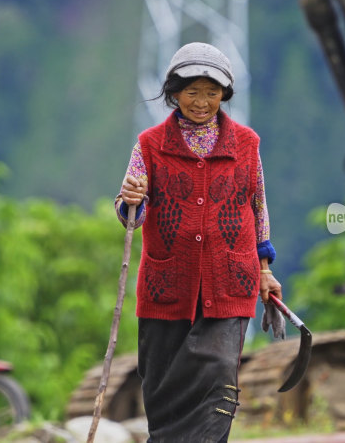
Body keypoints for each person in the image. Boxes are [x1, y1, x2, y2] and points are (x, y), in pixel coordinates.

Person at [115, 42, 283, 442]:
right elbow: (129, 216)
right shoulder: (150, 144)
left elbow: (258, 208)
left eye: (212, 92)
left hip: (231, 285)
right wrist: (130, 200)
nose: (202, 102)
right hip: (166, 289)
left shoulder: (247, 144)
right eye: (192, 91)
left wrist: (264, 270)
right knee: (163, 387)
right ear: (174, 92)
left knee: (217, 384)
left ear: (225, 94)